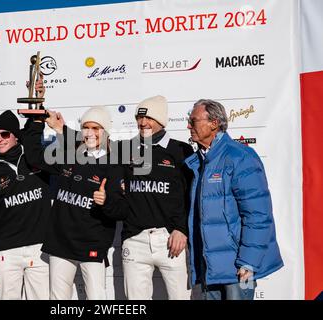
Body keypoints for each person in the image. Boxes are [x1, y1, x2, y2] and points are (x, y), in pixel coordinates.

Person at [23, 106, 127, 300]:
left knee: (97, 299)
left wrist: (106, 202)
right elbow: (34, 157)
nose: (90, 133)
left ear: (105, 131)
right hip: (61, 243)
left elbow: (122, 210)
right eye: (86, 127)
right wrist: (37, 122)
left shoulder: (115, 164)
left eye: (96, 128)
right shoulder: (69, 155)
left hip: (92, 244)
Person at [185, 99, 283, 300]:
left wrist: (249, 262)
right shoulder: (198, 162)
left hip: (240, 270)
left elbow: (258, 215)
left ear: (214, 123)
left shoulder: (240, 157)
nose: (188, 126)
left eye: (193, 121)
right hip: (210, 270)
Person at [119, 95, 194, 300]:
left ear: (161, 120)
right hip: (135, 239)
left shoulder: (181, 150)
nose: (143, 123)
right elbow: (91, 147)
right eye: (139, 118)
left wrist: (181, 229)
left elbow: (191, 195)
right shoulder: (125, 149)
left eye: (149, 118)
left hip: (171, 239)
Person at [0, 110, 51, 300]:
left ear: (16, 136)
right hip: (6, 252)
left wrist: (37, 100)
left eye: (4, 134)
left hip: (40, 248)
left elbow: (35, 124)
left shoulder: (35, 157)